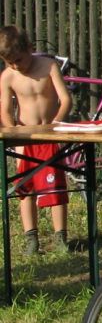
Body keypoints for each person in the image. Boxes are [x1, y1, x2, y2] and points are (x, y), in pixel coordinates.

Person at [0, 25, 73, 254]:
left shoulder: (48, 67)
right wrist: (12, 131)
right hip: (25, 138)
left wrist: (56, 123)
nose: (15, 66)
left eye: (18, 60)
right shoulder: (8, 76)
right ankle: (31, 239)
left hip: (49, 135)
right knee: (25, 189)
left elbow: (65, 99)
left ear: (30, 49)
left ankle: (60, 237)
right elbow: (5, 110)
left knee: (55, 187)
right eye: (9, 62)